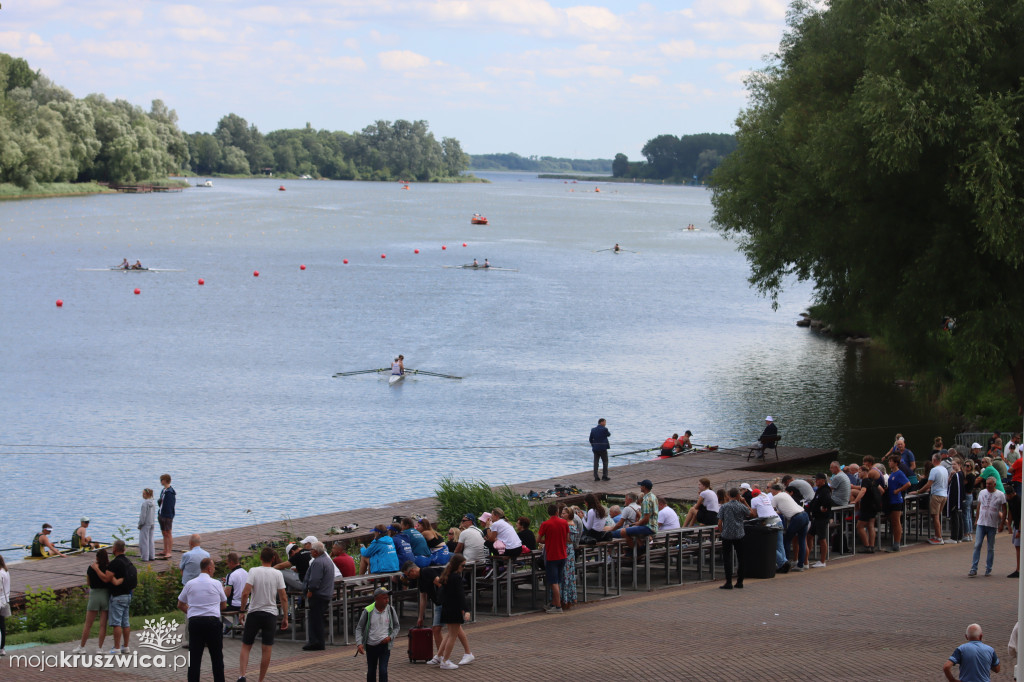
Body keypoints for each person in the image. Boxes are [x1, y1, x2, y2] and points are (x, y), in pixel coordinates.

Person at [237, 547, 288, 682]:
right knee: (266, 648)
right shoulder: (277, 574)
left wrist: (242, 611)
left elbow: (245, 593)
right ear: (273, 559)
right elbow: (283, 597)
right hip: (270, 614)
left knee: (246, 645)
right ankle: (261, 679)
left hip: (254, 612)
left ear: (260, 558)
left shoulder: (254, 571)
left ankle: (242, 675)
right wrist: (285, 616)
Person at [178, 557, 227, 682]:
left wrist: (192, 613)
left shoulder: (190, 583)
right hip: (212, 622)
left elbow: (180, 604)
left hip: (195, 622)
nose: (214, 570)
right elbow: (224, 604)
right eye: (214, 567)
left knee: (194, 657)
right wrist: (213, 610)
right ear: (209, 568)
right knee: (217, 657)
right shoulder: (216, 584)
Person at [73, 548, 114, 654]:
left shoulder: (91, 568)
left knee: (88, 624)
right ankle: (100, 648)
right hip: (105, 595)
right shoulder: (108, 567)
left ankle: (82, 647)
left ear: (97, 557)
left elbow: (88, 582)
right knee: (102, 625)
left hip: (94, 595)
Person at [356, 587, 400, 680]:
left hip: (385, 646)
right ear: (376, 599)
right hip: (371, 646)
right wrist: (359, 643)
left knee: (383, 671)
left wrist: (390, 637)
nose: (387, 600)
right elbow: (359, 628)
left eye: (387, 598)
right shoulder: (368, 611)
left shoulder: (390, 610)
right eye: (384, 598)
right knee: (371, 671)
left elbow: (397, 626)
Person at [970, 477, 1006, 577]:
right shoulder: (982, 492)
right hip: (981, 523)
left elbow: (1004, 509)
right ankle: (974, 568)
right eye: (986, 484)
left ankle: (988, 568)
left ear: (994, 484)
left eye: (990, 484)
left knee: (990, 547)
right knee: (977, 545)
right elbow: (979, 505)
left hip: (992, 524)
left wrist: (1002, 523)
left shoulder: (1000, 495)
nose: (987, 486)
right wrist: (976, 519)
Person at [717, 488, 753, 589]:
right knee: (741, 558)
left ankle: (728, 582)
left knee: (727, 558)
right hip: (739, 534)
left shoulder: (724, 506)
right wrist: (745, 502)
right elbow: (752, 514)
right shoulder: (741, 506)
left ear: (728, 496)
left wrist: (722, 532)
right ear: (738, 496)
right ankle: (740, 581)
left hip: (727, 535)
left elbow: (719, 522)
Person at [537, 503, 569, 614]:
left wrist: (548, 541)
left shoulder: (545, 524)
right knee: (558, 580)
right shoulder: (564, 523)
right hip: (563, 554)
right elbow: (567, 538)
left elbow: (538, 539)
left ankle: (558, 606)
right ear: (557, 512)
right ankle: (555, 603)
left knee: (553, 581)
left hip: (551, 555)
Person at [302, 541, 333, 651]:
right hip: (325, 594)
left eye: (311, 550)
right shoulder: (327, 560)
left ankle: (315, 642)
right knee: (318, 619)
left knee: (315, 619)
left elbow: (314, 580)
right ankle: (318, 641)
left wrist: (310, 590)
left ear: (315, 552)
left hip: (318, 595)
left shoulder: (318, 562)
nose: (310, 552)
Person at [772, 483, 809, 570]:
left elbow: (771, 511)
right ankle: (800, 565)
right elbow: (784, 509)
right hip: (804, 514)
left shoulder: (775, 497)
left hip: (796, 518)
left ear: (775, 490)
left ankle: (785, 563)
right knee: (802, 540)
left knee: (787, 540)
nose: (771, 492)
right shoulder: (785, 494)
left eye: (771, 489)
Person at [915, 452, 950, 544]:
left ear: (934, 460)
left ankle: (939, 538)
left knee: (935, 516)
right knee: (938, 516)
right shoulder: (944, 469)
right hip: (944, 494)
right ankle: (937, 535)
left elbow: (928, 484)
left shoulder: (934, 470)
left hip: (936, 495)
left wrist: (919, 491)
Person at [750, 488, 788, 572]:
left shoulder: (754, 500)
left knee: (769, 545)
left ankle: (782, 563)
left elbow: (754, 514)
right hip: (777, 519)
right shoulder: (765, 496)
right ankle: (784, 563)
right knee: (779, 544)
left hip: (768, 522)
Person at [107, 540, 134, 654]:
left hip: (118, 596)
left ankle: (116, 647)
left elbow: (108, 577)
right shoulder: (128, 562)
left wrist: (115, 581)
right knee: (125, 622)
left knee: (116, 623)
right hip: (128, 594)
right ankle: (126, 646)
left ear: (115, 549)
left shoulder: (115, 563)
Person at [617, 480, 658, 549]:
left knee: (623, 531)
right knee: (630, 527)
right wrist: (637, 523)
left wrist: (637, 524)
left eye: (641, 486)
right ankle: (641, 546)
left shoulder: (646, 500)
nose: (640, 487)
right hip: (654, 526)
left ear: (644, 487)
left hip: (648, 527)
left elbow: (646, 519)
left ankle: (637, 550)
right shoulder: (654, 497)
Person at [852, 467, 883, 552]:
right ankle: (872, 546)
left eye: (859, 472)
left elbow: (863, 491)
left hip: (867, 506)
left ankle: (866, 546)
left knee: (859, 526)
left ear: (865, 472)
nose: (858, 474)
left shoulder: (865, 481)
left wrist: (855, 501)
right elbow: (882, 490)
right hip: (874, 506)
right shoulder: (872, 480)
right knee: (871, 525)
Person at [884, 454, 912, 552]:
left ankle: (897, 544)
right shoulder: (892, 474)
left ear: (895, 463)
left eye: (890, 461)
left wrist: (898, 490)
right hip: (891, 500)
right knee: (894, 521)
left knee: (896, 522)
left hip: (896, 500)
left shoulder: (899, 473)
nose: (889, 463)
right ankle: (895, 542)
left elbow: (908, 483)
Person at [807, 473, 833, 568]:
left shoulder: (825, 490)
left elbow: (828, 501)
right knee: (809, 536)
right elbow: (814, 501)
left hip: (822, 518)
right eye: (815, 479)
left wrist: (824, 508)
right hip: (816, 518)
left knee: (822, 539)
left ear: (823, 480)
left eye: (817, 480)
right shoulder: (819, 490)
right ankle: (806, 557)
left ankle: (822, 561)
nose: (816, 481)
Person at [946, 458, 966, 544]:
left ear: (959, 465)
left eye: (954, 464)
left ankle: (955, 537)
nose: (953, 466)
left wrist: (956, 503)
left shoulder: (958, 475)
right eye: (952, 464)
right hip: (957, 501)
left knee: (956, 518)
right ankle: (959, 536)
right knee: (959, 518)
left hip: (955, 501)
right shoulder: (956, 474)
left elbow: (958, 489)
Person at [157, 473, 176, 560]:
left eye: (161, 480)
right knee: (164, 533)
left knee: (168, 533)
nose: (161, 481)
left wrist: (169, 515)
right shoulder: (164, 490)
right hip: (161, 514)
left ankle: (169, 551)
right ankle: (165, 550)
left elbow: (170, 505)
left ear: (165, 480)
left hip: (167, 515)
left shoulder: (170, 492)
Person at [137, 489, 157, 561]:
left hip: (145, 524)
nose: (143, 495)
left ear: (148, 495)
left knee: (144, 541)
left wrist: (140, 524)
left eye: (144, 494)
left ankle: (145, 557)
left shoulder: (145, 504)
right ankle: (152, 556)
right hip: (152, 523)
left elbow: (143, 516)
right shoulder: (153, 503)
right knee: (150, 540)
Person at [0, 556, 8, 657]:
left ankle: (1, 647)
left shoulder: (1, 574)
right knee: (2, 625)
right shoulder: (5, 571)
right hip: (4, 600)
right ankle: (2, 647)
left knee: (1, 626)